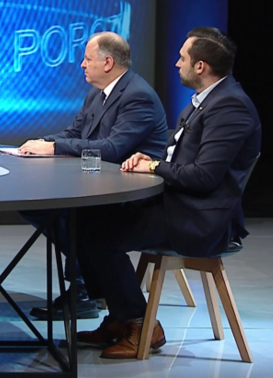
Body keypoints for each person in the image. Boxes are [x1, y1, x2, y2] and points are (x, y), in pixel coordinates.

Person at [75, 27, 260, 359]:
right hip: (180, 204)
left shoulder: (231, 107)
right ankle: (120, 318)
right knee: (88, 219)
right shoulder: (206, 101)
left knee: (100, 234)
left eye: (182, 58)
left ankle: (140, 325)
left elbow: (203, 176)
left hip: (201, 219)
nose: (177, 64)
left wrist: (153, 166)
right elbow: (180, 160)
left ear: (201, 66)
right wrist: (151, 162)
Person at [17, 32, 168, 320]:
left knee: (74, 217)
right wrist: (39, 143)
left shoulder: (138, 96)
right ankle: (90, 287)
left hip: (132, 195)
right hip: (97, 185)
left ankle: (86, 291)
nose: (82, 65)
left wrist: (53, 148)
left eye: (87, 59)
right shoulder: (97, 94)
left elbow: (112, 149)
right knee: (35, 205)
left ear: (108, 62)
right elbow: (74, 133)